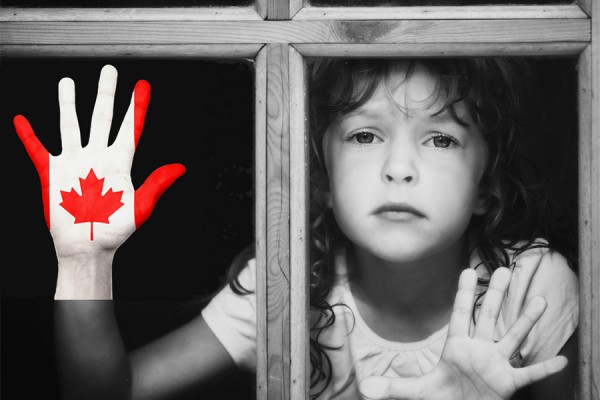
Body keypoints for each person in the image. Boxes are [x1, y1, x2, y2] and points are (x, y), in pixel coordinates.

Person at [12, 58, 578, 400]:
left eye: (442, 138)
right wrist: (85, 262)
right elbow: (108, 395)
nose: (399, 168)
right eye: (364, 136)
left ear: (486, 188)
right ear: (322, 178)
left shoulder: (529, 285)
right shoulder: (284, 284)